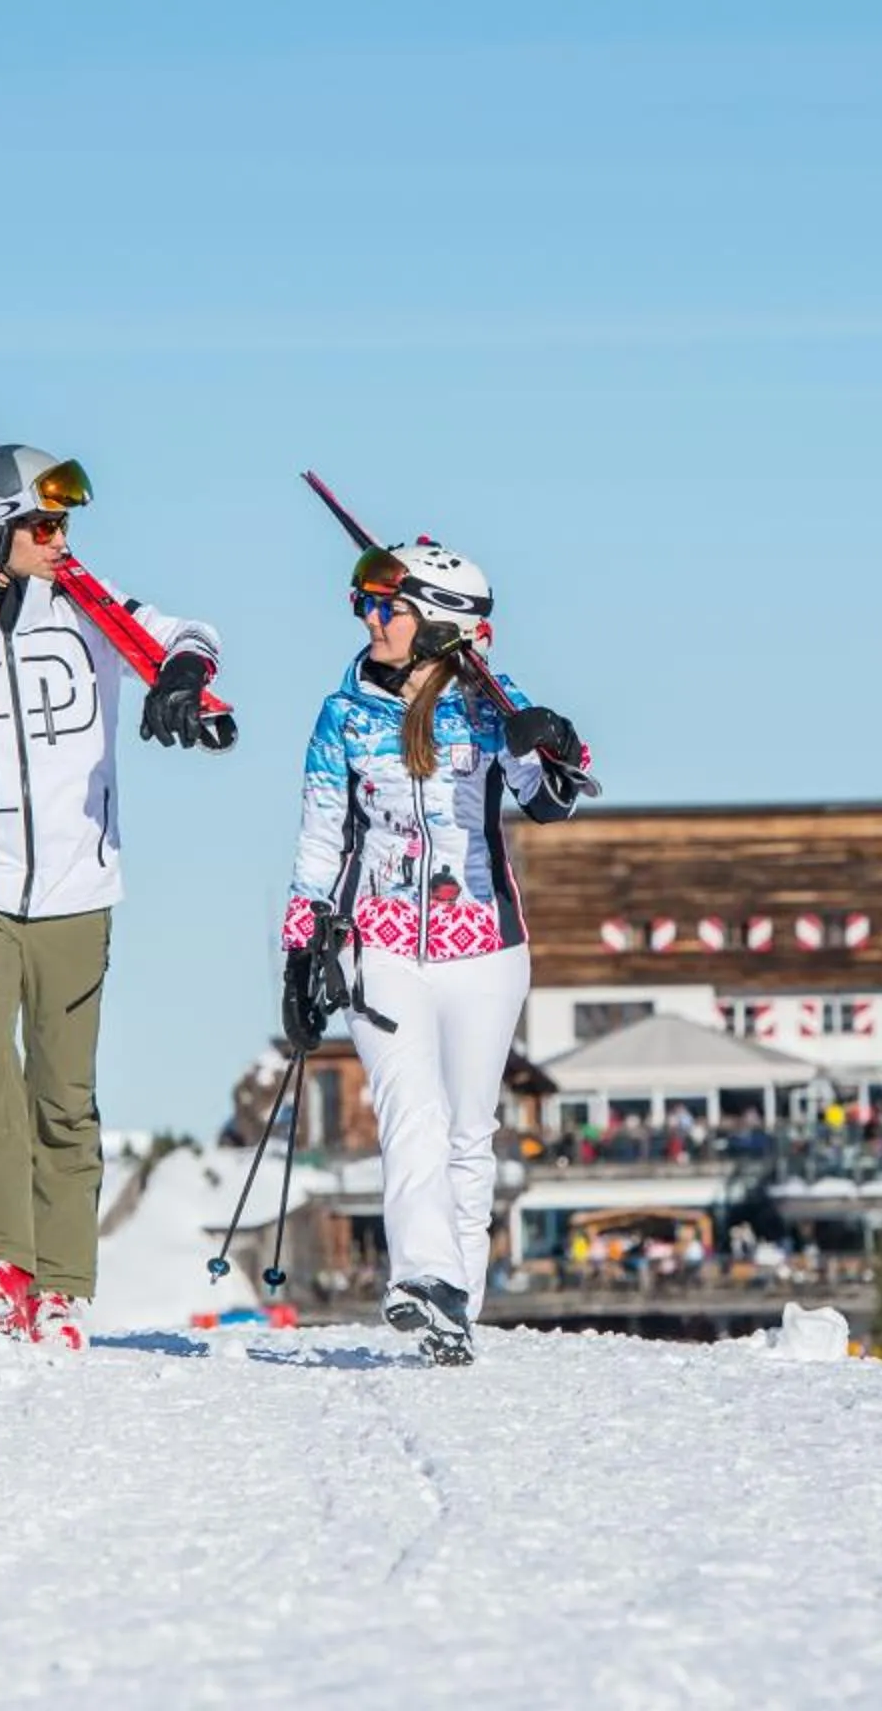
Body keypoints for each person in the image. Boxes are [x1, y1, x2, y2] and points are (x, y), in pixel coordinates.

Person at [0, 442, 230, 1351]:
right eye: (42, 524)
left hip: (78, 888)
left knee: (65, 1094)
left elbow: (191, 635)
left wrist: (183, 676)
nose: (60, 539)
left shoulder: (90, 612)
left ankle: (62, 1286)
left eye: (64, 522)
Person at [276, 540, 588, 1366]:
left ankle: (460, 1308)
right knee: (408, 1112)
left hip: (484, 945)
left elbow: (552, 797)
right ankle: (425, 1281)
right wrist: (303, 950)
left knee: (466, 1132)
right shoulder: (341, 713)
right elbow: (321, 840)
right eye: (365, 604)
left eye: (387, 605)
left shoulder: (491, 705)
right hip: (382, 943)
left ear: (438, 622)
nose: (368, 618)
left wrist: (549, 738)